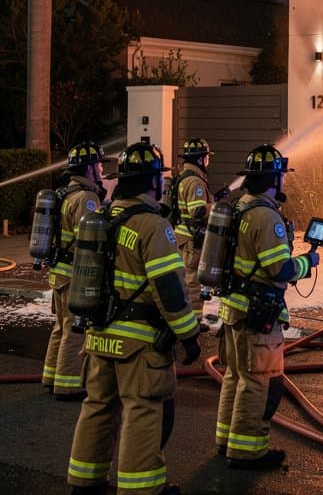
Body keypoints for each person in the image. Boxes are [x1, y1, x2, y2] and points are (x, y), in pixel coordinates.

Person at [67, 142, 200, 495]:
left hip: (98, 336)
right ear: (152, 182)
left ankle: (84, 482)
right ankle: (141, 489)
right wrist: (189, 336)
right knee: (143, 410)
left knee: (98, 407)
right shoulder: (152, 226)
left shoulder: (103, 218)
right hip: (138, 344)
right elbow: (170, 291)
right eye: (160, 179)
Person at [215, 144, 318, 470]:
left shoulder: (240, 206)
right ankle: (247, 452)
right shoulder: (265, 216)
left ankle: (226, 440)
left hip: (234, 308)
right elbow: (279, 269)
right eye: (281, 176)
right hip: (256, 313)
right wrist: (308, 262)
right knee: (257, 381)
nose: (283, 181)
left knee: (236, 376)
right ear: (273, 179)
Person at [43, 142, 108, 400]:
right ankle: (68, 386)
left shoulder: (64, 193)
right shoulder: (86, 198)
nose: (101, 170)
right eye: (99, 165)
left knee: (60, 327)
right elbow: (88, 240)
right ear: (89, 169)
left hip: (59, 272)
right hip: (74, 275)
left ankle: (51, 377)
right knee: (73, 330)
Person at [170, 138, 214, 331]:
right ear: (200, 159)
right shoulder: (195, 181)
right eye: (206, 157)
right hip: (191, 239)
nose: (208, 161)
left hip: (181, 236)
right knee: (193, 281)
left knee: (184, 280)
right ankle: (194, 321)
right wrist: (215, 206)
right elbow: (196, 211)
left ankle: (185, 319)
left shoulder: (183, 177)